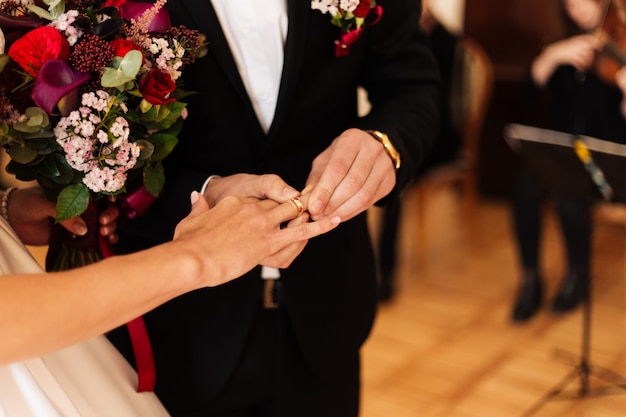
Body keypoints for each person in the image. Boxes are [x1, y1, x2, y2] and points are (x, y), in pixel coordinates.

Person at [107, 0, 442, 416]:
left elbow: (413, 87)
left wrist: (386, 143)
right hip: (177, 328)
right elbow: (92, 152)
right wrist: (205, 192)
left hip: (326, 315)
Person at [510, 0, 626, 322]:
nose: (579, 11)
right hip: (563, 149)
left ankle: (577, 274)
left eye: (584, 2)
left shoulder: (619, 43)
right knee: (525, 187)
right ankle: (530, 279)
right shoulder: (560, 43)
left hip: (604, 154)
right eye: (571, 5)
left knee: (570, 194)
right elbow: (529, 90)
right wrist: (553, 56)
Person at [377, 0, 463, 301]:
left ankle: (387, 271)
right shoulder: (391, 27)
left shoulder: (447, 40)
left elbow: (431, 96)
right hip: (408, 128)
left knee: (395, 174)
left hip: (438, 137)